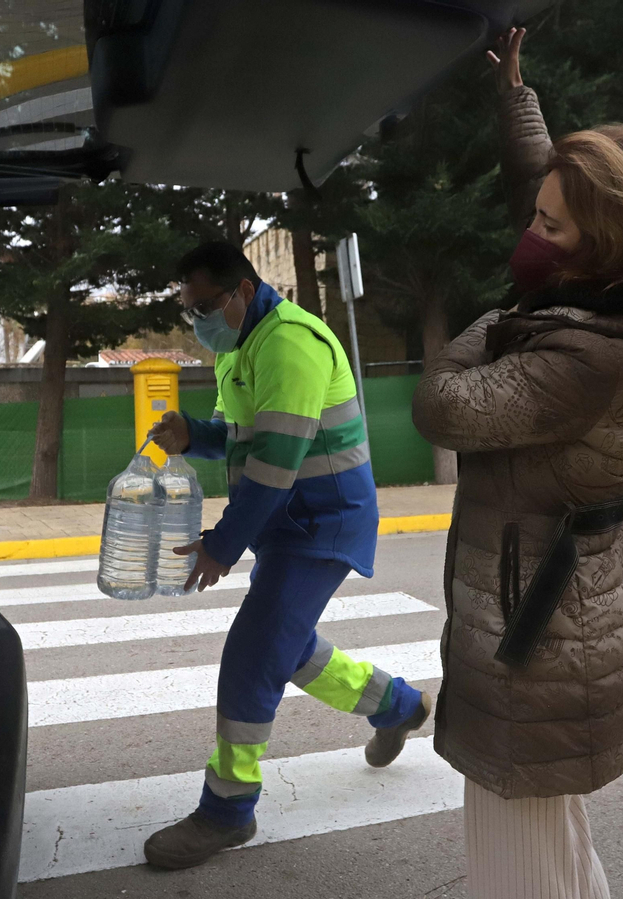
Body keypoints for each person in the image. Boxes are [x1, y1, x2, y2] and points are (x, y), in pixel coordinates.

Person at [410, 28, 623, 899]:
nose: (532, 233)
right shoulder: (616, 291)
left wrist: (485, 324)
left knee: (511, 831)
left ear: (604, 247)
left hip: (543, 626)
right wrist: (519, 102)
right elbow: (549, 191)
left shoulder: (589, 351)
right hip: (565, 607)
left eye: (551, 226)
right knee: (544, 818)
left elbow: (445, 409)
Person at [141, 241, 431, 870]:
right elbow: (245, 439)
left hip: (323, 523)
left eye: (205, 307)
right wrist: (197, 435)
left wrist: (222, 544)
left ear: (242, 290)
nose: (199, 323)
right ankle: (399, 706)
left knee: (253, 652)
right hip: (286, 521)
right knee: (289, 647)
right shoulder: (242, 347)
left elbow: (276, 462)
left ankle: (226, 810)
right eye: (190, 311)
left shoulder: (291, 343)